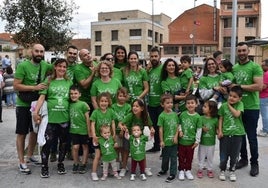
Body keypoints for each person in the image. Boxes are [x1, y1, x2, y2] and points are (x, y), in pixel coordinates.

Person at [14, 43, 52, 174]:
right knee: (21, 133)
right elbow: (16, 86)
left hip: (37, 105)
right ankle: (21, 162)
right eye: (37, 51)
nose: (39, 54)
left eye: (41, 52)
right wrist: (34, 88)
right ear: (31, 52)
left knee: (34, 131)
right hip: (23, 105)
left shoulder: (45, 65)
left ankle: (30, 156)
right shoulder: (23, 66)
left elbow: (59, 67)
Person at [33, 58, 72, 178]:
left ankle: (60, 163)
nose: (62, 69)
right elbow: (42, 97)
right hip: (50, 119)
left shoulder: (68, 82)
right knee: (47, 143)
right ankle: (44, 166)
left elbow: (73, 98)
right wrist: (36, 112)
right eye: (59, 66)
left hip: (64, 118)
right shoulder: (48, 80)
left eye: (64, 67)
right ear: (55, 67)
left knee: (64, 143)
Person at [232, 42, 263, 177]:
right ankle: (243, 159)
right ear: (237, 52)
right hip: (238, 107)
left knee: (251, 137)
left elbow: (258, 86)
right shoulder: (235, 67)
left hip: (251, 108)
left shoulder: (255, 67)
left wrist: (239, 86)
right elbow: (232, 86)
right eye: (239, 51)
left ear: (248, 51)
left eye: (244, 50)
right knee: (240, 136)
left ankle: (254, 163)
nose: (242, 53)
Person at [118, 99, 155, 177]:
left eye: (137, 106)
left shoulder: (145, 116)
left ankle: (144, 168)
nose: (134, 108)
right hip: (129, 136)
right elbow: (120, 123)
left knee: (142, 152)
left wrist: (152, 129)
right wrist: (122, 127)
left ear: (142, 108)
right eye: (133, 106)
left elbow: (150, 125)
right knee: (126, 152)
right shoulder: (130, 115)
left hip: (139, 137)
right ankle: (123, 168)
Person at [218, 86, 245, 182]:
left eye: (235, 97)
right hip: (225, 134)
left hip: (237, 134)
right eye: (230, 96)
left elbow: (237, 114)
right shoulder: (223, 106)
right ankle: (222, 170)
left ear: (240, 98)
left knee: (235, 154)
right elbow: (220, 119)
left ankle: (232, 170)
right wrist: (220, 131)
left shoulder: (240, 104)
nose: (231, 98)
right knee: (223, 154)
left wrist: (229, 105)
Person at [90, 92, 116, 181]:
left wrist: (114, 133)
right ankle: (93, 172)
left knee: (108, 153)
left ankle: (109, 170)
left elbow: (113, 122)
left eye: (106, 101)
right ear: (98, 101)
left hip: (108, 137)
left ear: (108, 102)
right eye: (102, 101)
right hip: (98, 138)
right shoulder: (95, 112)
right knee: (97, 155)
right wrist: (93, 135)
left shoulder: (111, 111)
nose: (104, 103)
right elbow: (92, 124)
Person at [177, 95, 202, 181]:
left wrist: (197, 141)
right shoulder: (183, 114)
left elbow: (199, 129)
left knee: (189, 157)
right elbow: (179, 124)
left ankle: (188, 170)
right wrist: (180, 131)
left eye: (192, 103)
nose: (190, 105)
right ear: (185, 104)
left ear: (196, 104)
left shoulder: (198, 117)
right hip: (182, 141)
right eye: (188, 103)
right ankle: (181, 170)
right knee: (181, 156)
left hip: (191, 142)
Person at [157, 94, 179, 183]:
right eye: (167, 103)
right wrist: (161, 140)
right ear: (162, 104)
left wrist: (176, 136)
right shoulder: (162, 116)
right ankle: (164, 169)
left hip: (174, 141)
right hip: (166, 141)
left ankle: (173, 173)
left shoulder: (175, 115)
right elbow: (160, 129)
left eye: (171, 102)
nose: (170, 104)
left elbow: (177, 126)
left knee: (173, 157)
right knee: (165, 157)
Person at [69, 85, 90, 174]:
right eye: (71, 94)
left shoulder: (83, 104)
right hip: (73, 130)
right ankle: (76, 163)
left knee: (84, 146)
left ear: (80, 94)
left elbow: (87, 119)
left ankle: (83, 163)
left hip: (83, 130)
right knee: (75, 147)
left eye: (75, 93)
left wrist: (89, 131)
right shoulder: (69, 104)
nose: (73, 95)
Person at [146, 47, 163, 153]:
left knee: (161, 126)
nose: (154, 58)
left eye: (156, 56)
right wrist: (147, 70)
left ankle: (164, 148)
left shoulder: (163, 69)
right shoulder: (149, 70)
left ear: (159, 56)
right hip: (151, 102)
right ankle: (156, 146)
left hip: (161, 103)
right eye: (152, 56)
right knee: (154, 126)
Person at [197, 100, 218, 178]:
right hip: (202, 142)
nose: (203, 108)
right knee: (201, 156)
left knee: (210, 156)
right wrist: (202, 128)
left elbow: (216, 129)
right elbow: (198, 126)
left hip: (211, 142)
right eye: (203, 106)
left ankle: (210, 169)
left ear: (211, 109)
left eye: (205, 107)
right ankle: (200, 169)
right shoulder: (201, 118)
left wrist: (218, 132)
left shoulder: (215, 119)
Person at [111, 87, 131, 168]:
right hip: (115, 130)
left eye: (124, 96)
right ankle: (116, 164)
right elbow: (112, 120)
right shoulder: (113, 106)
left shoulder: (128, 107)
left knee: (123, 149)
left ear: (127, 97)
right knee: (116, 148)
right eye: (120, 96)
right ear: (117, 96)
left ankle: (124, 164)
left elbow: (128, 120)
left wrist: (122, 131)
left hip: (125, 131)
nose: (122, 97)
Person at [257, 59, 268, 137]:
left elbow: (264, 86)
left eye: (263, 65)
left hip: (263, 96)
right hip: (265, 96)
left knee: (264, 114)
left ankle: (265, 130)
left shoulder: (266, 74)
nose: (262, 66)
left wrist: (256, 87)